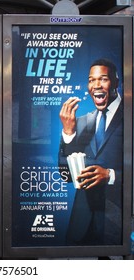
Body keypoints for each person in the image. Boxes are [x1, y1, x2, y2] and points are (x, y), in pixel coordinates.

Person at [59, 58, 123, 245]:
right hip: (82, 223)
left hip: (117, 219)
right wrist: (68, 134)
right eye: (91, 80)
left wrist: (111, 175)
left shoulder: (129, 115)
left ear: (116, 82)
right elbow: (65, 175)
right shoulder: (81, 122)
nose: (96, 85)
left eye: (103, 79)